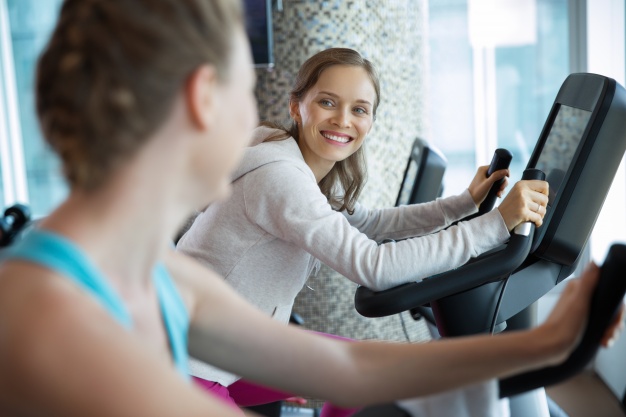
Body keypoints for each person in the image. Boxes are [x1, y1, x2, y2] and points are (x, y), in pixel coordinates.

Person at [0, 1, 622, 417]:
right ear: (202, 99)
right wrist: (492, 233)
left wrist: (551, 343)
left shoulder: (161, 274)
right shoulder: (50, 321)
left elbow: (347, 366)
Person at [175, 47, 553, 414]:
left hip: (233, 344)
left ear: (371, 120)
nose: (343, 120)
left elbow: (371, 223)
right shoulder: (280, 179)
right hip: (186, 360)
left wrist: (464, 204)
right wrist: (496, 225)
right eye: (327, 102)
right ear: (296, 106)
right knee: (361, 375)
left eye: (359, 109)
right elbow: (375, 266)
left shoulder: (296, 164)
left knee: (363, 383)